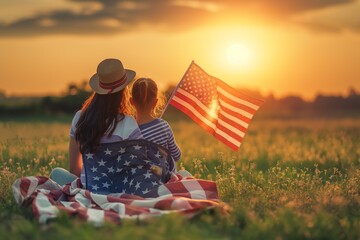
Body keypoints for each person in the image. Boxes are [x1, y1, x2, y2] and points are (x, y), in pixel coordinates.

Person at [50, 58, 142, 186]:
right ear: (124, 90)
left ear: (98, 89)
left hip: (89, 187)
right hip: (118, 189)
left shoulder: (80, 118)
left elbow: (74, 169)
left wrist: (94, 179)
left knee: (56, 173)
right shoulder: (128, 123)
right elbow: (138, 169)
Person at [130, 78, 181, 171]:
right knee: (184, 173)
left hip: (141, 183)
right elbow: (177, 156)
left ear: (131, 101)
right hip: (167, 182)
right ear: (155, 102)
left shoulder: (130, 132)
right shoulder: (164, 126)